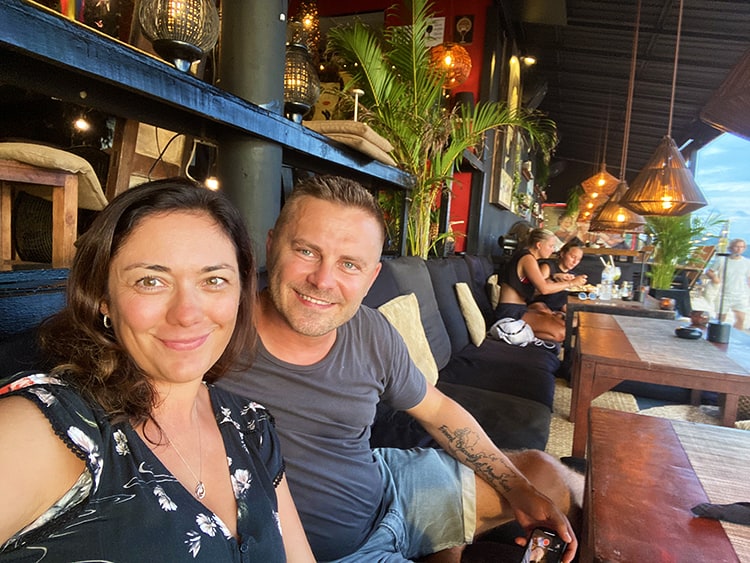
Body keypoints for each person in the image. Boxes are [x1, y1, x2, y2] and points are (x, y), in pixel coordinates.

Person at [220, 175, 583, 563]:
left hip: (388, 488)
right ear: (272, 246)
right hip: (332, 551)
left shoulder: (371, 329)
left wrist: (516, 487)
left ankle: (442, 541)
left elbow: (437, 409)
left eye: (349, 264)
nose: (323, 280)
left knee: (549, 478)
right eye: (307, 252)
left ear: (372, 276)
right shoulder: (212, 338)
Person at [0, 179, 314, 562]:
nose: (186, 313)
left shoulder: (251, 427)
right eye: (151, 281)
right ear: (104, 298)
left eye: (213, 280)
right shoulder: (48, 430)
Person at [497, 229, 587, 342]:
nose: (553, 250)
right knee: (561, 333)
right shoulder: (527, 258)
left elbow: (535, 289)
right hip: (510, 313)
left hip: (520, 309)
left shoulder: (529, 258)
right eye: (550, 246)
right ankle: (513, 334)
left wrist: (555, 277)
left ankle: (524, 332)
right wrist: (571, 283)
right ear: (539, 245)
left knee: (562, 324)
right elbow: (543, 289)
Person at [531, 238, 586, 314]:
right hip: (541, 304)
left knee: (578, 316)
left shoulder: (572, 275)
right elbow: (534, 291)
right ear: (562, 254)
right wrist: (554, 278)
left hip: (560, 307)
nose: (575, 262)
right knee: (545, 312)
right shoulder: (548, 267)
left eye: (579, 259)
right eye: (573, 257)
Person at [706, 238, 750, 330]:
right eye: (737, 246)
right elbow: (709, 271)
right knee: (721, 318)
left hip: (741, 294)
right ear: (731, 248)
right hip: (723, 293)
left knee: (741, 318)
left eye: (741, 247)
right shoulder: (722, 260)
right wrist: (715, 278)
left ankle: (736, 337)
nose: (739, 249)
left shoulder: (746, 262)